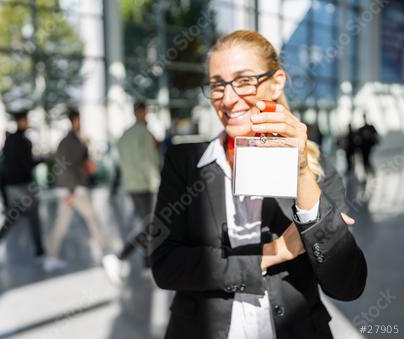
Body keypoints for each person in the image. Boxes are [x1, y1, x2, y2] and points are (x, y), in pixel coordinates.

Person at [149, 30, 366, 339]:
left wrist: (302, 170)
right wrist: (275, 251)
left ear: (276, 82)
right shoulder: (185, 163)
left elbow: (347, 285)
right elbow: (166, 266)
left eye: (244, 80)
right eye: (216, 85)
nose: (227, 98)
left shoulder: (314, 167)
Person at [0, 109, 52, 271]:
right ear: (21, 121)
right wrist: (44, 159)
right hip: (24, 185)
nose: (27, 123)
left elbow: (6, 162)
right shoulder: (25, 141)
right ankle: (39, 251)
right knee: (34, 218)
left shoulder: (9, 140)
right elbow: (28, 164)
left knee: (10, 218)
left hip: (11, 186)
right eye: (25, 120)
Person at [102, 101, 161, 284]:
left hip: (131, 186)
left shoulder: (125, 136)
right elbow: (151, 162)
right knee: (150, 225)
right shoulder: (144, 133)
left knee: (146, 223)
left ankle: (146, 264)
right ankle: (120, 257)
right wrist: (157, 184)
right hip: (146, 185)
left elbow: (119, 162)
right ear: (141, 112)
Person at [47, 108, 107, 270]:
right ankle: (105, 254)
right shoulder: (72, 142)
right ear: (75, 120)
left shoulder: (71, 140)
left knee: (62, 223)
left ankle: (51, 257)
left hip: (69, 189)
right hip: (74, 190)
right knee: (92, 218)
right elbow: (68, 168)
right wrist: (70, 192)